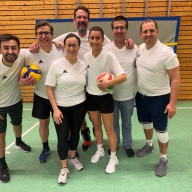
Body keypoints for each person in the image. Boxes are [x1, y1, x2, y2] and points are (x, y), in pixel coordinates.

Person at [30, 5, 134, 151]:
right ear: (74, 20)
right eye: (79, 17)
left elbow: (115, 43)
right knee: (80, 117)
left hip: (92, 84)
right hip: (74, 84)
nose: (81, 20)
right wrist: (37, 44)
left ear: (88, 20)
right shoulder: (69, 35)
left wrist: (128, 41)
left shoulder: (98, 37)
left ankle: (99, 144)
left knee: (86, 117)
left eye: (84, 17)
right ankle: (85, 137)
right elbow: (49, 41)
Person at [135, 19, 180, 177]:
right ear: (141, 34)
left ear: (157, 32)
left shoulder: (167, 53)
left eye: (151, 30)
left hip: (160, 98)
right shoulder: (140, 49)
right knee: (146, 124)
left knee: (161, 130)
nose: (148, 34)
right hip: (141, 96)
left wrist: (172, 103)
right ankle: (149, 145)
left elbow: (175, 79)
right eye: (145, 31)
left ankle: (163, 159)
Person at [84, 26, 127, 174]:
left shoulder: (109, 56)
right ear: (89, 40)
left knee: (109, 129)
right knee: (96, 127)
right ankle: (100, 149)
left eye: (98, 38)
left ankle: (113, 157)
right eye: (92, 38)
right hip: (90, 98)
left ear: (103, 40)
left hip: (106, 98)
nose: (95, 41)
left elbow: (123, 76)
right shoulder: (85, 57)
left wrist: (109, 83)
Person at [46, 33, 87, 184]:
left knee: (75, 133)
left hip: (79, 105)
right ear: (64, 47)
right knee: (63, 136)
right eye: (69, 45)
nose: (71, 48)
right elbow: (49, 88)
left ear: (78, 47)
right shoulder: (56, 65)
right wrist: (55, 109)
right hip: (61, 108)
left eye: (74, 45)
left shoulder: (83, 65)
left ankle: (72, 157)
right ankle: (64, 167)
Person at [24, 21, 65, 163]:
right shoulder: (30, 54)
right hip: (41, 94)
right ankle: (45, 147)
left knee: (63, 125)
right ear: (36, 36)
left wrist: (55, 42)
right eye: (40, 33)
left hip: (60, 95)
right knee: (43, 123)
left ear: (52, 35)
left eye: (46, 33)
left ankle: (67, 148)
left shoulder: (61, 49)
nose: (43, 36)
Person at [0, 34, 34, 183]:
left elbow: (39, 44)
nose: (10, 51)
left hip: (15, 100)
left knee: (17, 123)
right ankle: (2, 165)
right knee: (1, 134)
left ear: (19, 49)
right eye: (6, 48)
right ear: (0, 50)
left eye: (13, 48)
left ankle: (19, 141)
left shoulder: (22, 56)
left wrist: (55, 42)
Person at [104, 16, 138, 158]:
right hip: (110, 95)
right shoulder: (106, 49)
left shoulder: (134, 48)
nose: (119, 30)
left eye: (122, 27)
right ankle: (115, 144)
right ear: (112, 30)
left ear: (126, 30)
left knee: (126, 122)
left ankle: (128, 145)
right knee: (113, 124)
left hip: (128, 95)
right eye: (116, 28)